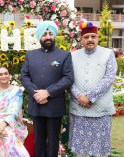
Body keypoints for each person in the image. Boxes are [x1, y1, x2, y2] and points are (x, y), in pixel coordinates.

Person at [20, 21, 74, 157]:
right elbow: (24, 76)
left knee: (53, 141)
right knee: (38, 141)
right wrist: (36, 94)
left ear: (54, 35)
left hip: (54, 106)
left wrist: (48, 92)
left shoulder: (64, 55)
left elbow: (68, 78)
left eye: (50, 34)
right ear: (39, 37)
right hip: (37, 105)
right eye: (44, 34)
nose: (48, 37)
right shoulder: (30, 55)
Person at [69, 21, 117, 157]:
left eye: (93, 36)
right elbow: (68, 79)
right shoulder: (72, 55)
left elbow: (109, 78)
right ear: (81, 39)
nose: (90, 39)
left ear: (97, 37)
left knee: (101, 151)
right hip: (79, 110)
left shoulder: (108, 54)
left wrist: (89, 97)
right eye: (86, 37)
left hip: (100, 110)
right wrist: (79, 97)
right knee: (80, 152)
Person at [0, 66, 30, 157]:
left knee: (19, 152)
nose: (4, 76)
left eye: (6, 73)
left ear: (9, 76)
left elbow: (15, 110)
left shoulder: (16, 91)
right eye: (0, 74)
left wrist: (3, 124)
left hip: (11, 122)